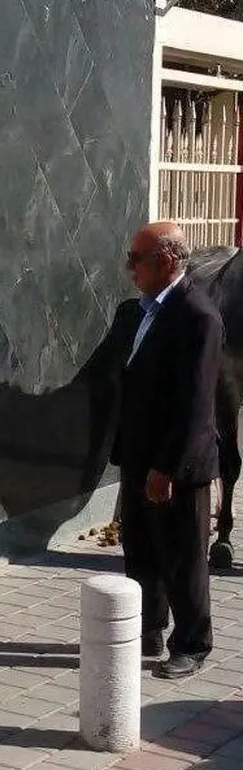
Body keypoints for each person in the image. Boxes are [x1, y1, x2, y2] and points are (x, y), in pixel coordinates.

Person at [112, 221, 222, 679]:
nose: (129, 268)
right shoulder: (144, 310)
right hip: (140, 456)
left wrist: (167, 468)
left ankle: (192, 643)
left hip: (176, 466)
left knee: (182, 555)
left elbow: (195, 405)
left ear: (166, 262)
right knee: (141, 549)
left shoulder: (197, 316)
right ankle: (149, 627)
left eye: (136, 259)